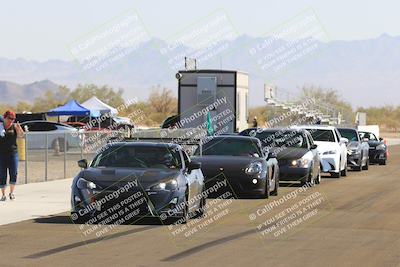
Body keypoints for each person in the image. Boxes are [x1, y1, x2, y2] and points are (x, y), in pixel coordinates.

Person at [0, 110, 24, 201]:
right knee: (2, 174)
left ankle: (11, 193)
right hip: (1, 154)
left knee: (13, 172)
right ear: (4, 118)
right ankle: (3, 194)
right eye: (10, 118)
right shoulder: (0, 127)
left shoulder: (14, 126)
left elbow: (21, 135)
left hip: (13, 153)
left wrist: (19, 129)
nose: (11, 120)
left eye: (13, 119)